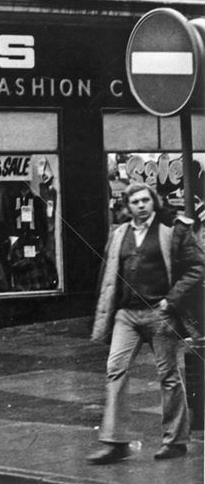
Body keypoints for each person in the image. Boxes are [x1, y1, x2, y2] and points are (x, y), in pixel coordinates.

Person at [87, 182, 204, 464]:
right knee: (115, 369)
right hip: (126, 315)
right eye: (135, 201)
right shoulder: (119, 234)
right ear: (127, 207)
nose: (141, 205)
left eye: (145, 200)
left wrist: (171, 301)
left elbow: (198, 267)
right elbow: (109, 273)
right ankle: (115, 442)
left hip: (160, 312)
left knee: (169, 375)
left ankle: (175, 441)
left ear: (154, 202)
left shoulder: (172, 230)